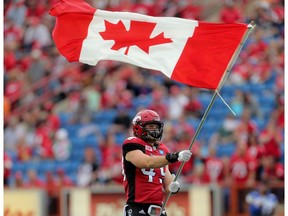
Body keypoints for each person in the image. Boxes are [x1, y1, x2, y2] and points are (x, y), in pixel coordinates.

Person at [122, 109, 192, 216]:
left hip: (158, 209)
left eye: (156, 126)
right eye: (150, 126)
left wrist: (173, 188)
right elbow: (147, 162)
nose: (154, 129)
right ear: (138, 127)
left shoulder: (162, 149)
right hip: (137, 207)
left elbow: (167, 184)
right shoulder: (132, 143)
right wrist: (175, 156)